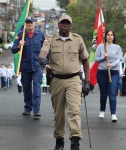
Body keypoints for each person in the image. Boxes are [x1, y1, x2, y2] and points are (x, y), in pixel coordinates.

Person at [39, 15, 90, 150]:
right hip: (56, 80)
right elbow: (43, 52)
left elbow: (85, 61)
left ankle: (75, 141)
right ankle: (59, 140)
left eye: (67, 23)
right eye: (63, 23)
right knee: (58, 113)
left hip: (74, 80)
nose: (65, 25)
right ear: (58, 24)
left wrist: (87, 82)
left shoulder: (78, 40)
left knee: (74, 110)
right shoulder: (51, 39)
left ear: (70, 26)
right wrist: (42, 59)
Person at [11, 16, 45, 118]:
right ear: (25, 24)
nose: (29, 24)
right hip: (25, 66)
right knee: (26, 88)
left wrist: (45, 60)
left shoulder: (40, 35)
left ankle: (36, 109)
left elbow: (45, 49)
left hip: (37, 66)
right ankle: (28, 107)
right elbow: (13, 50)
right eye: (28, 23)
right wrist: (18, 45)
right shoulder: (21, 36)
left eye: (31, 23)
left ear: (35, 23)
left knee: (36, 87)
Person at [95, 29, 122, 122]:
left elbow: (119, 59)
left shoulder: (117, 47)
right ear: (105, 36)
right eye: (108, 35)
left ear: (113, 37)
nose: (110, 36)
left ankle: (113, 114)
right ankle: (102, 111)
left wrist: (112, 64)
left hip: (113, 72)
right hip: (102, 72)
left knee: (112, 93)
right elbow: (96, 59)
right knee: (103, 93)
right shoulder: (100, 47)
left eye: (112, 35)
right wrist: (103, 57)